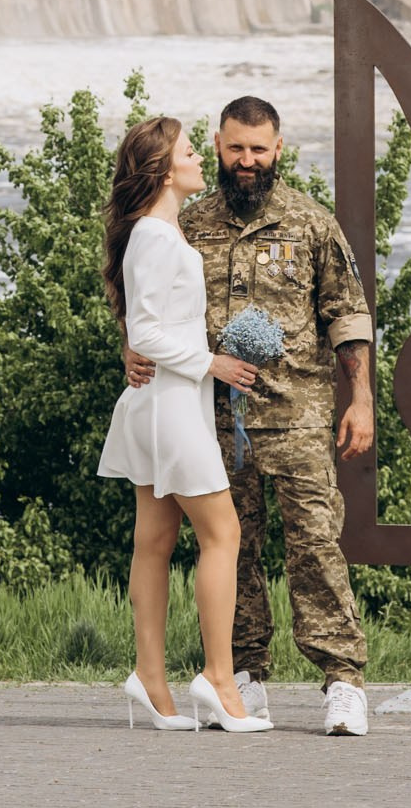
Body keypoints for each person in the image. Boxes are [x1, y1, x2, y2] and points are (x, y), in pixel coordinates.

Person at [124, 96, 376, 736]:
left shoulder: (311, 222)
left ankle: (343, 682)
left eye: (258, 150)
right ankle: (242, 676)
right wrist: (130, 345)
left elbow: (347, 314)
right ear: (217, 144)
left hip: (297, 415)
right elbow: (146, 296)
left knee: (316, 548)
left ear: (278, 149)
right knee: (233, 553)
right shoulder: (188, 221)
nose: (246, 160)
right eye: (235, 148)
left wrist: (362, 399)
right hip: (211, 416)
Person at [96, 115, 273, 734]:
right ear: (165, 171)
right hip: (169, 407)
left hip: (165, 402)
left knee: (154, 541)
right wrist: (212, 362)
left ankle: (151, 681)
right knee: (223, 533)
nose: (202, 159)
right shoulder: (154, 235)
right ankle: (218, 679)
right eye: (191, 152)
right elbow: (146, 331)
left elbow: (148, 327)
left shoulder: (163, 231)